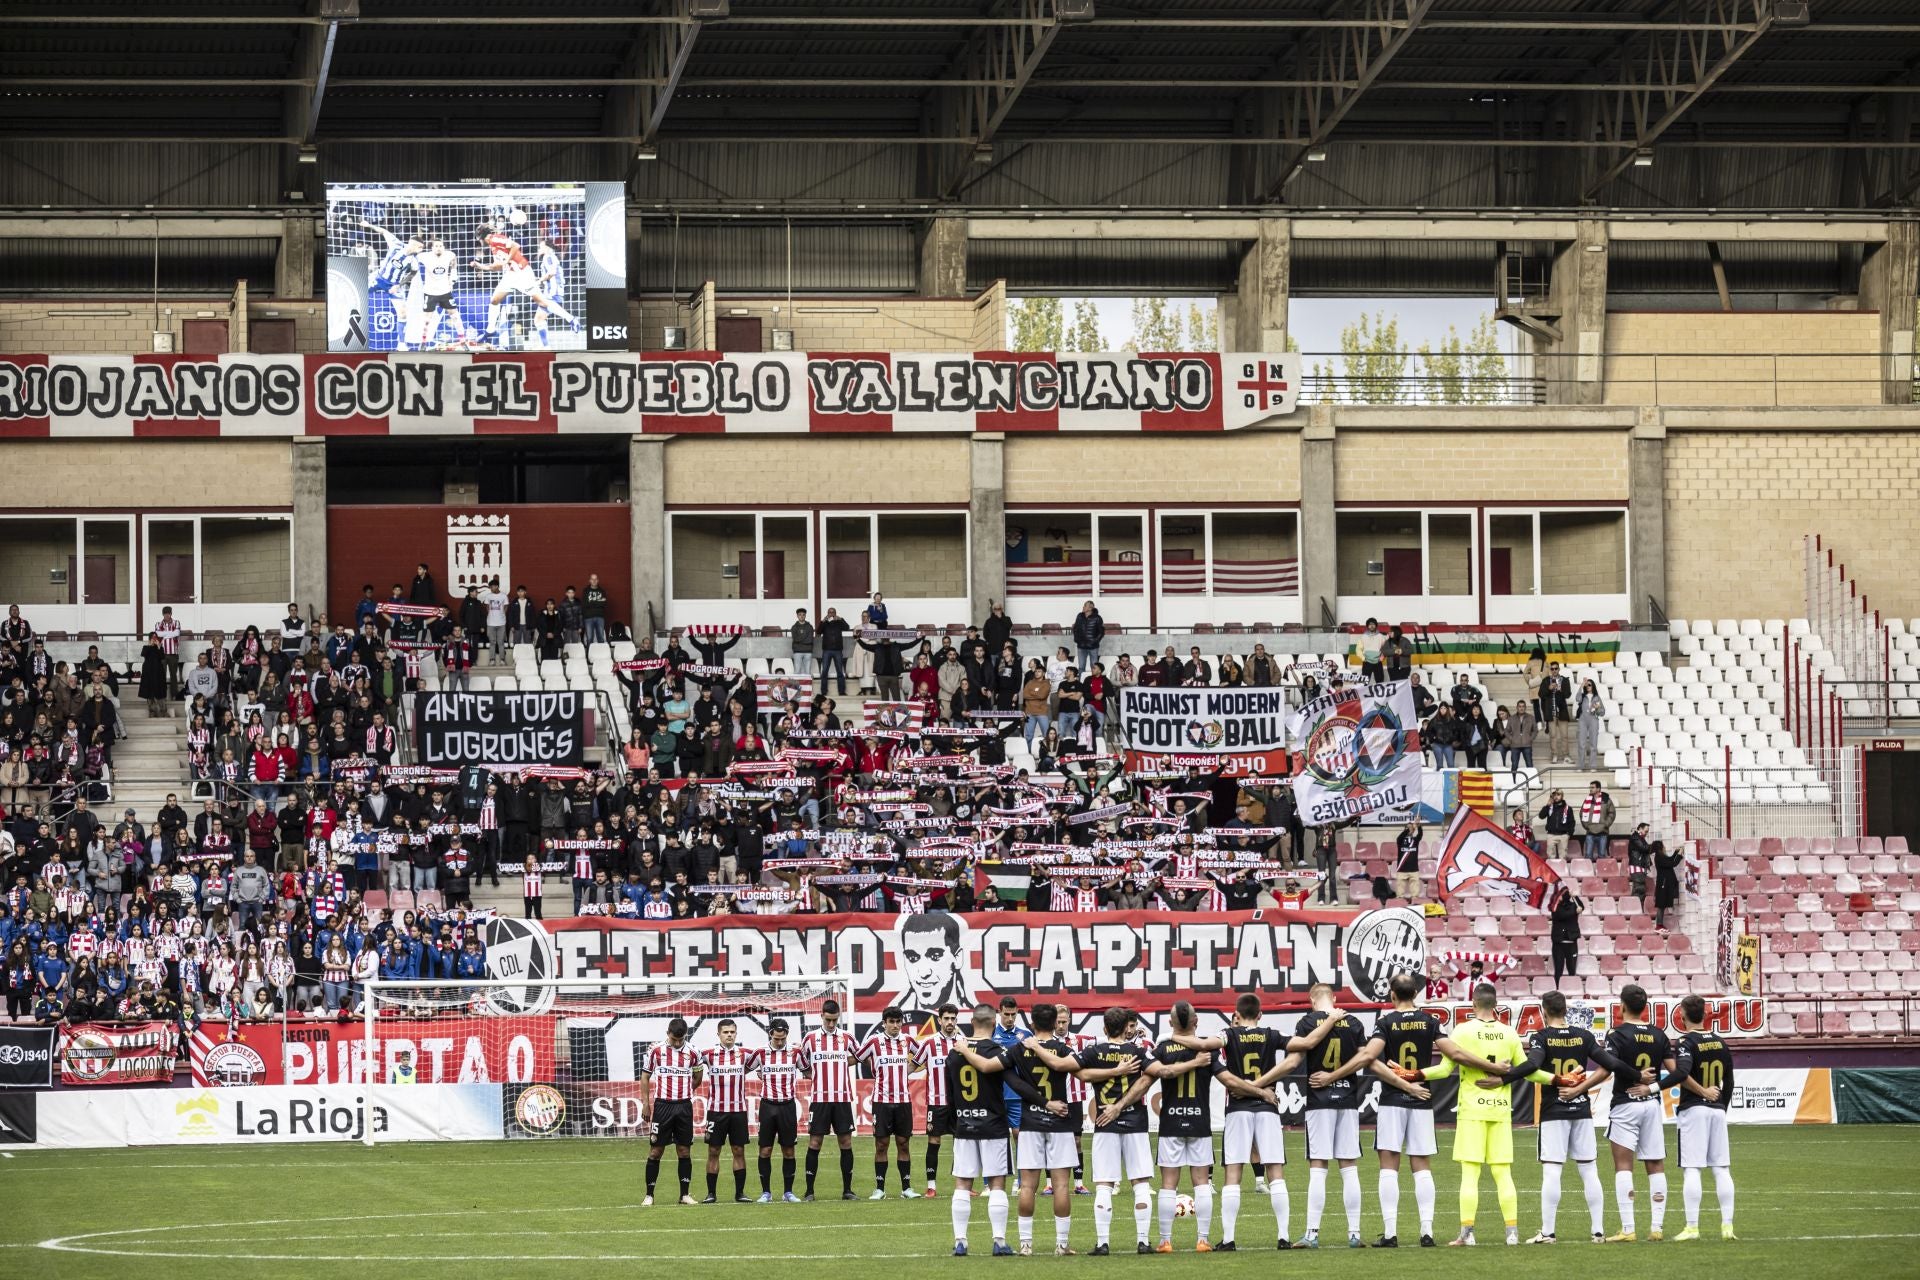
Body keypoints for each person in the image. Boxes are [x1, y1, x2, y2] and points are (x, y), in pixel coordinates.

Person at [1166, 992, 1341, 1251]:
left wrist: (1175, 1036)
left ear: (1236, 1015)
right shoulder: (1271, 1035)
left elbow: (1202, 1045)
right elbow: (1307, 1043)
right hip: (1267, 1106)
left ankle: (1228, 1239)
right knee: (1276, 1174)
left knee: (1233, 1175)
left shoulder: (1229, 1034)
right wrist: (1331, 1020)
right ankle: (1283, 1237)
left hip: (1238, 1108)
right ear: (1260, 1014)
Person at [1418, 983, 1559, 1247]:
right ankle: (1512, 1233)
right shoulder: (1508, 1033)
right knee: (1503, 1174)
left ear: (1473, 1004)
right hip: (1500, 1110)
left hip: (1472, 1109)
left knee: (1469, 1175)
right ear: (1496, 1006)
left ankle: (1467, 1234)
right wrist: (1558, 1079)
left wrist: (1416, 1074)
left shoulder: (1461, 1030)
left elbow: (1443, 1068)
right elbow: (1528, 1072)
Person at [1364, 971, 1490, 1248]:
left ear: (1392, 995)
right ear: (1417, 995)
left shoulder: (1385, 1022)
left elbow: (1370, 1057)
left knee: (1389, 1166)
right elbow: (1455, 1054)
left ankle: (1390, 1233)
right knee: (1421, 1167)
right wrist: (1491, 1066)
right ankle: (1427, 1232)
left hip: (1392, 1100)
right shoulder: (1430, 1021)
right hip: (1422, 1098)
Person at [1511, 989, 1646, 1245]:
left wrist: (1505, 1076)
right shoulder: (1583, 1036)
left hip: (1553, 1110)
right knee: (1589, 1171)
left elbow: (1533, 1065)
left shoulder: (1541, 1037)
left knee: (1552, 1171)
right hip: (1582, 1109)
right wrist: (1639, 1076)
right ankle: (1597, 1231)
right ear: (1565, 1011)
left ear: (1543, 1011)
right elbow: (1611, 1064)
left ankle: (1548, 1233)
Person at [948, 1002, 1050, 1257]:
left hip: (964, 1122)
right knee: (997, 1183)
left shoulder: (954, 1052)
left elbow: (950, 1093)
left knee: (962, 1183)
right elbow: (1016, 1083)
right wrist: (1045, 1102)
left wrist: (959, 1118)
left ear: (971, 1022)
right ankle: (999, 1241)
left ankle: (960, 1241)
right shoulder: (997, 1050)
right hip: (993, 1125)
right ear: (994, 1024)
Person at [1292, 982, 1370, 1249]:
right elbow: (1363, 1059)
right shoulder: (1354, 1022)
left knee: (1318, 1167)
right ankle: (1355, 1234)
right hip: (1347, 1099)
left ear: (1311, 1000)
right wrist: (1339, 1077)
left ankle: (1312, 1233)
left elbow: (1295, 1059)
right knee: (1349, 1168)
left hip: (1319, 1100)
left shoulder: (1306, 1022)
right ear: (1334, 998)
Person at [1600, 983, 1677, 1242]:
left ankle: (1628, 1228)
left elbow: (1609, 1065)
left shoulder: (1617, 1034)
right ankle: (1656, 1228)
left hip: (1625, 1103)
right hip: (1652, 1104)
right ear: (1645, 1008)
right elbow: (1677, 1072)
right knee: (1655, 1164)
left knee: (1624, 1166)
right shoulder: (1659, 1034)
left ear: (1622, 1006)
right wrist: (1653, 1086)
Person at [1146, 1001, 1221, 1253]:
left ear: (1170, 1024)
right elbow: (1226, 1077)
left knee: (1169, 1183)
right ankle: (1203, 1240)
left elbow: (1151, 1076)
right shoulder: (1208, 1051)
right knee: (1201, 1182)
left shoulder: (1163, 1048)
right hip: (1199, 1120)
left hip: (1171, 1121)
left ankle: (1165, 1241)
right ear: (1196, 1022)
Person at [1668, 993, 1737, 1241]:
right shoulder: (1720, 1042)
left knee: (1692, 1169)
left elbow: (1683, 1073)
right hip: (1717, 1111)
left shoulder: (1686, 1042)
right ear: (1705, 1015)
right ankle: (1727, 1227)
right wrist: (1721, 1107)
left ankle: (1692, 1227)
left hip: (1694, 1110)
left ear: (1682, 1015)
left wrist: (1702, 1093)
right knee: (1721, 1169)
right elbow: (1729, 1081)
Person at [858, 1006, 920, 1201]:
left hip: (903, 1101)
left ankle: (906, 1188)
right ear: (884, 1023)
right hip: (881, 1101)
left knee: (903, 1144)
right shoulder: (874, 1042)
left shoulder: (907, 1040)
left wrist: (910, 1068)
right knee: (881, 1144)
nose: (895, 1025)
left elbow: (922, 1056)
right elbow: (859, 1057)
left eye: (898, 1022)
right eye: (891, 1022)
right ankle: (879, 1189)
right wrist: (874, 1067)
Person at [640, 1016, 703, 1207]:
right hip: (662, 1106)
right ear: (667, 1033)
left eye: (680, 1039)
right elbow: (645, 1077)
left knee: (684, 1150)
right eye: (674, 1039)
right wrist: (645, 1103)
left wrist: (684, 1090)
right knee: (656, 1151)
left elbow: (698, 1076)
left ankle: (684, 1195)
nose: (677, 1043)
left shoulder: (693, 1052)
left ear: (685, 1035)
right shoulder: (656, 1050)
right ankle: (649, 1195)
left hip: (684, 1106)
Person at [801, 998, 859, 1201]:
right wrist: (815, 1075)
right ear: (821, 1016)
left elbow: (858, 1056)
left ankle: (847, 1190)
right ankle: (809, 1191)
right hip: (819, 1099)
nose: (832, 1024)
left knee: (845, 1141)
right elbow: (802, 1064)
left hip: (842, 1098)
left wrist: (842, 1064)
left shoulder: (847, 1038)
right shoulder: (809, 1038)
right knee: (815, 1142)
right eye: (828, 1020)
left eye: (835, 1020)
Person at [748, 1017, 805, 1203]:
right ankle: (766, 1193)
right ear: (770, 1034)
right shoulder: (760, 1053)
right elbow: (743, 1069)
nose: (779, 1042)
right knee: (765, 1150)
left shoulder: (796, 1052)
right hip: (768, 1106)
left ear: (787, 1035)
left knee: (789, 1151)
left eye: (783, 1038)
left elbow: (809, 1071)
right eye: (776, 1038)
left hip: (788, 1106)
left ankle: (788, 1192)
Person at [700, 1018, 753, 1204]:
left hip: (738, 1111)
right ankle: (711, 1193)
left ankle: (740, 1193)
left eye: (732, 1032)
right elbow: (688, 1056)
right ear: (719, 1034)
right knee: (713, 1151)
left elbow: (766, 1057)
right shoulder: (707, 1055)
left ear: (736, 1034)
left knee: (739, 1150)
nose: (729, 1035)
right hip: (716, 1111)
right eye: (726, 1032)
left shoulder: (745, 1054)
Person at [915, 1004, 963, 1200]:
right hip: (937, 1101)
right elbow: (913, 1064)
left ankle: (962, 1186)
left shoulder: (963, 1042)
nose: (950, 1022)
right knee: (934, 1141)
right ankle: (931, 1187)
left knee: (961, 1143)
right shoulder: (929, 1043)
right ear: (939, 1021)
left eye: (953, 1018)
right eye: (947, 1018)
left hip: (959, 1103)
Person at [1538, 662, 1574, 764]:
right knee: (1553, 735)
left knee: (1564, 735)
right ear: (1550, 670)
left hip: (1562, 711)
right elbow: (1540, 694)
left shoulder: (1565, 680)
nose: (1554, 670)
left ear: (1559, 669)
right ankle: (1554, 755)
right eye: (1552, 669)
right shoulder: (1546, 681)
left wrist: (1560, 689)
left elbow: (1568, 695)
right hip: (1551, 712)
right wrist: (1549, 689)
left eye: (1556, 668)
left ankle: (1566, 755)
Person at [1551, 893, 1584, 983]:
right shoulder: (1555, 907)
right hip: (1559, 944)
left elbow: (1581, 906)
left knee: (1572, 970)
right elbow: (1562, 915)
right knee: (1558, 970)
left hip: (1572, 943)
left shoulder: (1573, 906)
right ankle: (1558, 989)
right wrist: (1575, 912)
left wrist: (1575, 896)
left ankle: (1572, 987)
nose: (1560, 897)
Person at [1575, 678, 1607, 771]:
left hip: (1593, 719)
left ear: (1593, 686)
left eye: (1589, 684)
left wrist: (1597, 708)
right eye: (1587, 685)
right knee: (1581, 744)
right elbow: (1577, 699)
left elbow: (1602, 712)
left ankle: (1593, 766)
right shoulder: (1582, 696)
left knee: (1593, 744)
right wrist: (1582, 685)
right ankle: (1580, 766)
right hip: (1582, 720)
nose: (1588, 686)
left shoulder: (1597, 697)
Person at [1579, 780, 1615, 860]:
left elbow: (1612, 813)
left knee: (1602, 855)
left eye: (1592, 787)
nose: (1590, 789)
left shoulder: (1606, 800)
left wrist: (1605, 824)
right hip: (1590, 832)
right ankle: (1588, 872)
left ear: (1598, 789)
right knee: (1588, 855)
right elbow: (1582, 813)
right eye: (1590, 787)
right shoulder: (1587, 800)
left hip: (1603, 832)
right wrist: (1586, 825)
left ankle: (1601, 872)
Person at [817, 607, 850, 695]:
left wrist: (841, 619)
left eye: (833, 612)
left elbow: (847, 628)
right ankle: (823, 691)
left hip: (838, 650)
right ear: (827, 613)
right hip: (827, 650)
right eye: (830, 612)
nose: (831, 614)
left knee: (840, 671)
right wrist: (822, 621)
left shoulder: (839, 622)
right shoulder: (825, 623)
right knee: (824, 672)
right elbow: (818, 632)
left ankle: (842, 691)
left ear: (835, 613)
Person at [1653, 840, 1684, 932]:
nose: (1665, 847)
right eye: (1663, 846)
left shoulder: (1661, 856)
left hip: (1664, 883)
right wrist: (1679, 855)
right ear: (1660, 848)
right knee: (1661, 905)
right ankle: (1659, 925)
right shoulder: (1659, 857)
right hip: (1663, 884)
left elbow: (1670, 860)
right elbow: (1672, 863)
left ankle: (1660, 925)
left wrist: (1675, 853)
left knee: (1662, 905)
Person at [1538, 788, 1575, 860]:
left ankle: (1561, 871)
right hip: (1551, 835)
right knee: (1550, 857)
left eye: (1558, 794)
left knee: (1563, 857)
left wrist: (1569, 834)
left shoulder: (1568, 808)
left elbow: (1572, 822)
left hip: (1563, 835)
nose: (1556, 796)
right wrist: (1547, 805)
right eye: (1554, 795)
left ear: (1562, 796)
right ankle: (1552, 870)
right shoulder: (1549, 807)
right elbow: (1541, 816)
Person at [1072, 601, 1104, 675]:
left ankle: (1094, 684)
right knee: (1081, 667)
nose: (1083, 607)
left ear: (1090, 608)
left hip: (1093, 647)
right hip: (1081, 646)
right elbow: (1075, 628)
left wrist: (1095, 641)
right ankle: (1081, 683)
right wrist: (1076, 639)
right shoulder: (1079, 616)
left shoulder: (1097, 618)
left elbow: (1101, 632)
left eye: (1085, 606)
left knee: (1094, 667)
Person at [1393, 820, 1421, 902]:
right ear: (1405, 829)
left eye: (1411, 828)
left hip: (1414, 869)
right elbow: (1400, 836)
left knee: (1415, 893)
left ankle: (1415, 902)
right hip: (1402, 869)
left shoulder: (1415, 840)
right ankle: (1400, 902)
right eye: (1407, 828)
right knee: (1400, 893)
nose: (1410, 829)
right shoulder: (1400, 840)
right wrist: (1410, 829)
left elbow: (1420, 834)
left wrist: (1418, 826)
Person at [788, 608, 815, 676]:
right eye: (800, 615)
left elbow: (810, 640)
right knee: (797, 672)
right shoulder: (794, 627)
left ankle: (807, 687)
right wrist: (805, 637)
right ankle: (797, 686)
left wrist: (800, 639)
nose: (802, 616)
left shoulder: (810, 627)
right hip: (797, 651)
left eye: (803, 615)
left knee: (807, 672)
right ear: (797, 616)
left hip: (808, 651)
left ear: (805, 616)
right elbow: (795, 639)